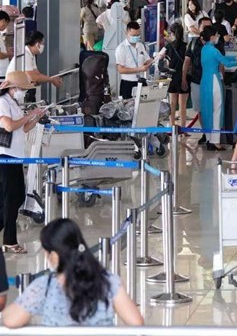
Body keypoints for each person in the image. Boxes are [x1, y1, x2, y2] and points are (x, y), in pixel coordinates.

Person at [2, 218, 141, 327]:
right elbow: (136, 322)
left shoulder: (44, 286)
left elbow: (11, 320)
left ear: (54, 256)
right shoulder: (108, 282)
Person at [0, 72, 45, 253]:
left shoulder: (14, 103)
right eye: (22, 89)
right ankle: (10, 240)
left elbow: (23, 129)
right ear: (12, 88)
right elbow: (9, 126)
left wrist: (36, 118)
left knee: (12, 197)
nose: (23, 93)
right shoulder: (2, 102)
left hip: (15, 155)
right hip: (5, 156)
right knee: (13, 197)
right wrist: (28, 116)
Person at [199, 26, 237, 151]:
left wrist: (236, 58)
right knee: (217, 110)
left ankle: (208, 138)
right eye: (216, 35)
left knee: (206, 111)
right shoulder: (214, 50)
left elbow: (223, 59)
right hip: (214, 81)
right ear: (212, 37)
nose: (217, 37)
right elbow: (226, 63)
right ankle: (215, 141)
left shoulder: (204, 49)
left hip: (204, 81)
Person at [114, 22, 153, 100]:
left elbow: (147, 61)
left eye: (138, 35)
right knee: (128, 109)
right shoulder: (121, 48)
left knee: (143, 107)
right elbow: (120, 69)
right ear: (127, 33)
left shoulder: (140, 46)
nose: (136, 37)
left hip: (141, 82)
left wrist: (155, 59)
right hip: (128, 83)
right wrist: (139, 69)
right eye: (133, 35)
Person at [162, 22, 189, 131]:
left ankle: (172, 125)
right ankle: (183, 128)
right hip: (184, 77)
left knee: (172, 103)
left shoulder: (168, 47)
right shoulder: (186, 46)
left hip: (172, 77)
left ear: (172, 33)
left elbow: (165, 62)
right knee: (183, 105)